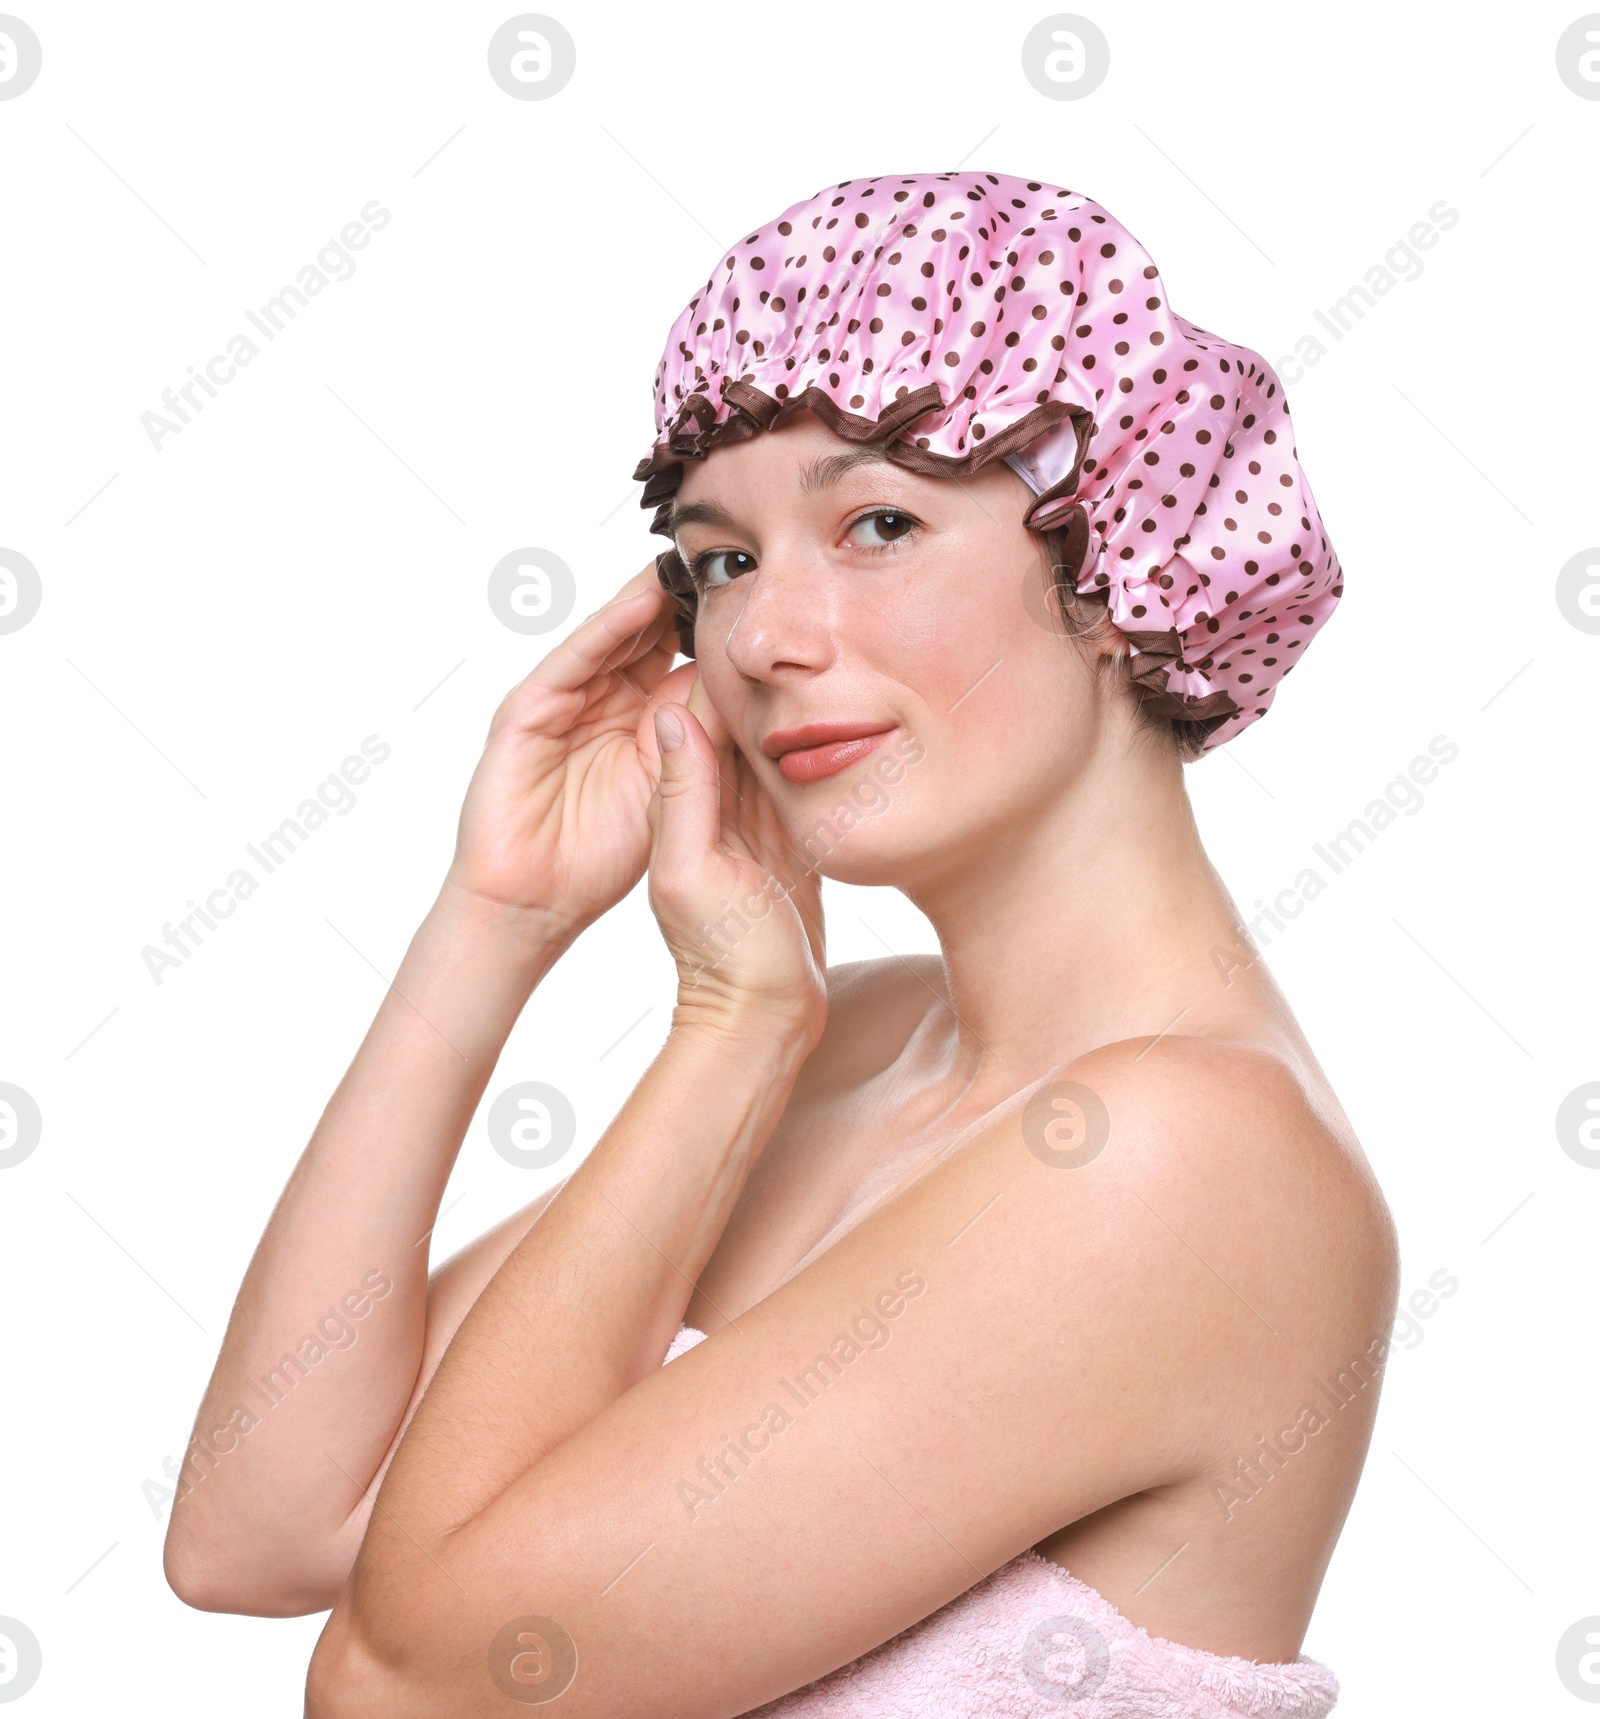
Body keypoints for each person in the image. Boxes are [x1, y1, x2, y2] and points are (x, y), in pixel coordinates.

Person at [165, 171, 1398, 1717]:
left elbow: (414, 1684)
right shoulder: (868, 1038)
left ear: (1115, 572)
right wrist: (496, 923)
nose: (758, 638)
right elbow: (258, 1528)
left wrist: (731, 1032)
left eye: (878, 522)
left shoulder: (1178, 1156)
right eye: (722, 559)